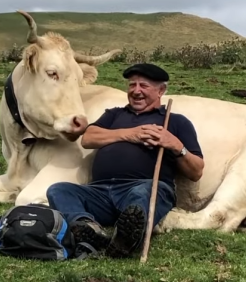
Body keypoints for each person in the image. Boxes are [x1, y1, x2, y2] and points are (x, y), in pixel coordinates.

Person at [46, 63, 204, 258]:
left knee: (142, 194)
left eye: (143, 86)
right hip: (100, 191)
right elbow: (88, 138)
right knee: (59, 190)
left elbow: (196, 171)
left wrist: (174, 144)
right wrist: (131, 134)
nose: (136, 91)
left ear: (160, 90)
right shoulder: (114, 115)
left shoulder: (175, 121)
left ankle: (125, 238)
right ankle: (89, 228)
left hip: (144, 187)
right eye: (132, 85)